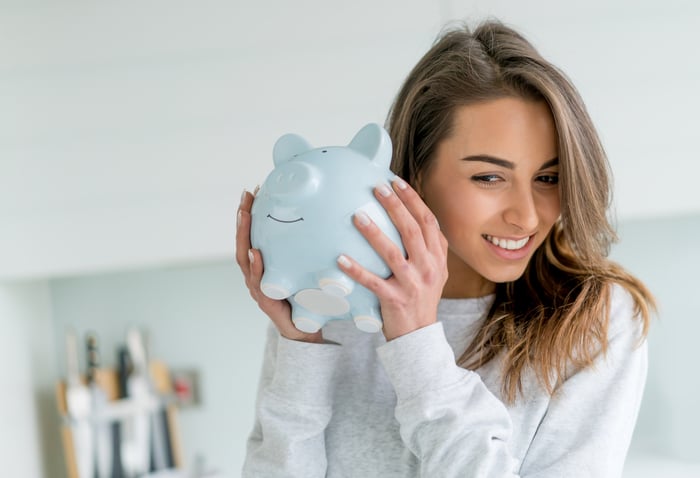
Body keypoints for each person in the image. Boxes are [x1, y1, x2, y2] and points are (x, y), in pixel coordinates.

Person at [236, 19, 655, 477]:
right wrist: (301, 350)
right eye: (489, 178)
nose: (527, 216)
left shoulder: (596, 321)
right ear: (414, 173)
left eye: (548, 178)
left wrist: (417, 346)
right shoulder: (331, 300)